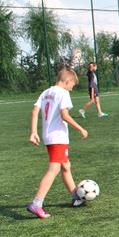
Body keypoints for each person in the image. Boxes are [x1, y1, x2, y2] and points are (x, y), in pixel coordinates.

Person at [27, 68, 89, 219]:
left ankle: (75, 197)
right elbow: (64, 115)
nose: (72, 88)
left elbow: (34, 111)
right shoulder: (63, 93)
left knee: (66, 165)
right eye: (72, 85)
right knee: (54, 169)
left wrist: (34, 132)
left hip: (48, 136)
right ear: (68, 80)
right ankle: (37, 203)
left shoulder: (46, 92)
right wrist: (80, 128)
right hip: (58, 137)